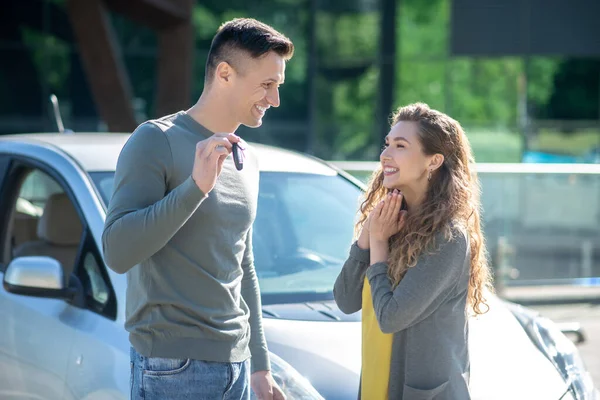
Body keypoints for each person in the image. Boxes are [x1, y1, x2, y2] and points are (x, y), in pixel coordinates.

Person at [102, 18, 294, 400]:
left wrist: (260, 365)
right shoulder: (155, 141)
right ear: (225, 74)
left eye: (278, 86)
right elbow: (117, 251)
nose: (275, 100)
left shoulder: (246, 157)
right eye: (267, 85)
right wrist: (195, 189)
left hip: (236, 367)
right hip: (173, 369)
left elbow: (243, 265)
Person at [333, 102, 493, 399]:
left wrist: (379, 244)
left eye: (401, 146)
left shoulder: (449, 237)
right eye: (387, 144)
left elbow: (391, 317)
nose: (385, 155)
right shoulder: (390, 221)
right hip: (376, 387)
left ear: (433, 161)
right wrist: (366, 240)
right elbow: (345, 300)